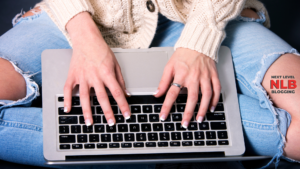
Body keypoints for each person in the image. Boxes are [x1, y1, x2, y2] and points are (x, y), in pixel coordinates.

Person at [0, 0, 299, 168]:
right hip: (75, 15)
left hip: (202, 15)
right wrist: (83, 35)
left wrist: (200, 41)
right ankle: (150, 153)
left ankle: (144, 148)